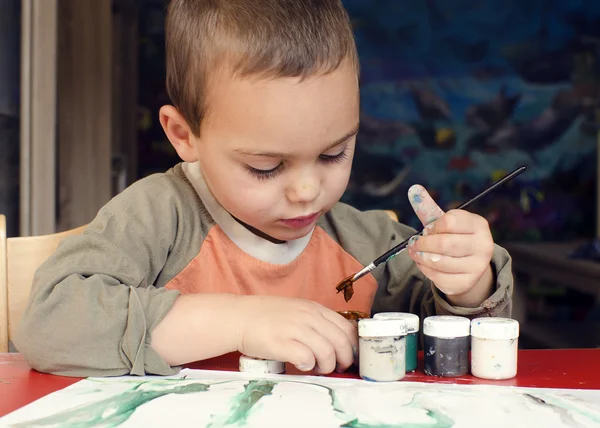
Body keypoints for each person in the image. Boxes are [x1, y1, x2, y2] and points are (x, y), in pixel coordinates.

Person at [15, 0, 513, 377]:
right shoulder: (158, 217)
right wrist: (242, 321)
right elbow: (48, 323)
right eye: (266, 166)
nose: (307, 191)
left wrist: (469, 285)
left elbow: (454, 358)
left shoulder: (365, 244)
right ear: (184, 135)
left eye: (333, 154)